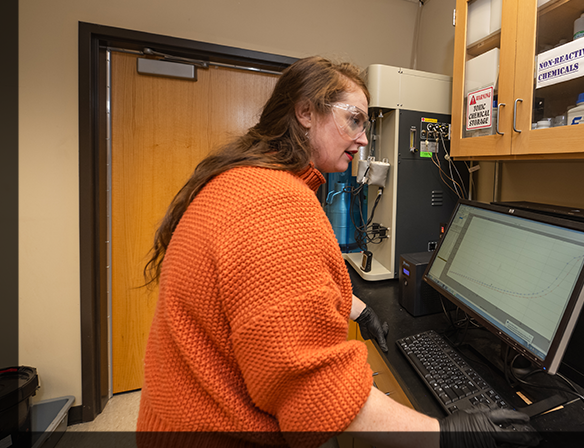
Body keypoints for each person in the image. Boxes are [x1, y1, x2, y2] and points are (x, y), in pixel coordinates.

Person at [136, 56, 538, 448]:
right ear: (306, 112)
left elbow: (268, 296)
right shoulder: (275, 202)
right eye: (355, 120)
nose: (363, 138)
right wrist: (447, 435)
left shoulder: (248, 180)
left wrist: (360, 310)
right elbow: (315, 395)